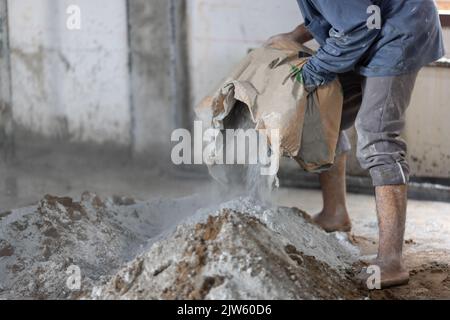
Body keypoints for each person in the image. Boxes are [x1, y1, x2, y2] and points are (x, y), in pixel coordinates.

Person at [268, 0, 444, 288]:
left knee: (376, 133)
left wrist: (313, 71)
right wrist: (294, 36)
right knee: (327, 111)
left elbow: (359, 24)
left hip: (399, 30)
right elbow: (338, 14)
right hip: (370, 25)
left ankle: (390, 262)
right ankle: (334, 214)